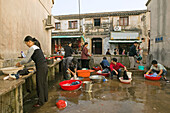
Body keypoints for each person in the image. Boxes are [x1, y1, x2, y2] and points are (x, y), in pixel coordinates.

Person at [16, 36, 48, 107]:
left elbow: (26, 60)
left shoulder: (32, 48)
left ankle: (40, 102)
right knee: (44, 83)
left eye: (26, 43)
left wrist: (20, 63)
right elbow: (30, 59)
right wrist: (23, 62)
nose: (26, 45)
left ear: (29, 42)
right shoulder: (36, 47)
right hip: (44, 66)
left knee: (39, 84)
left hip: (41, 67)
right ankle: (45, 98)